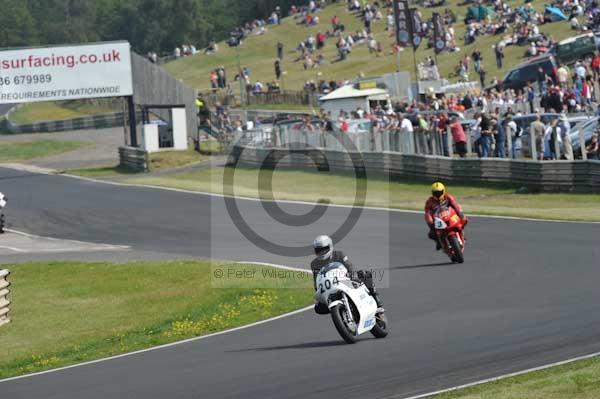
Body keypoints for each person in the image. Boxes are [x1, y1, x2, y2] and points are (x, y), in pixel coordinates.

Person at [311, 235, 383, 314]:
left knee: (365, 274)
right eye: (319, 250)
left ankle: (376, 300)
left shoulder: (339, 254)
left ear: (330, 246)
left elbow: (349, 266)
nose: (321, 252)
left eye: (324, 249)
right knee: (318, 308)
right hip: (330, 289)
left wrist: (354, 276)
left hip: (345, 282)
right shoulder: (314, 264)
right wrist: (319, 292)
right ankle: (339, 312)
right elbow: (316, 281)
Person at [424, 182, 466, 250]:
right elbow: (427, 213)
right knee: (431, 234)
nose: (437, 194)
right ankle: (438, 242)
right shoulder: (430, 202)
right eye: (435, 193)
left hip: (450, 215)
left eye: (439, 192)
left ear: (443, 191)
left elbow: (455, 205)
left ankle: (462, 236)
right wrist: (431, 223)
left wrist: (460, 214)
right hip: (438, 219)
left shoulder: (448, 197)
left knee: (464, 220)